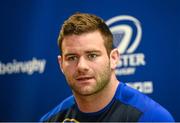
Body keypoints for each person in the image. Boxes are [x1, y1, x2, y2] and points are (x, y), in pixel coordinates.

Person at [40, 12, 174, 122]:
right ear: (61, 64)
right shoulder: (50, 120)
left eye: (92, 55)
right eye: (72, 58)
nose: (81, 66)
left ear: (114, 58)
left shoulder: (152, 118)